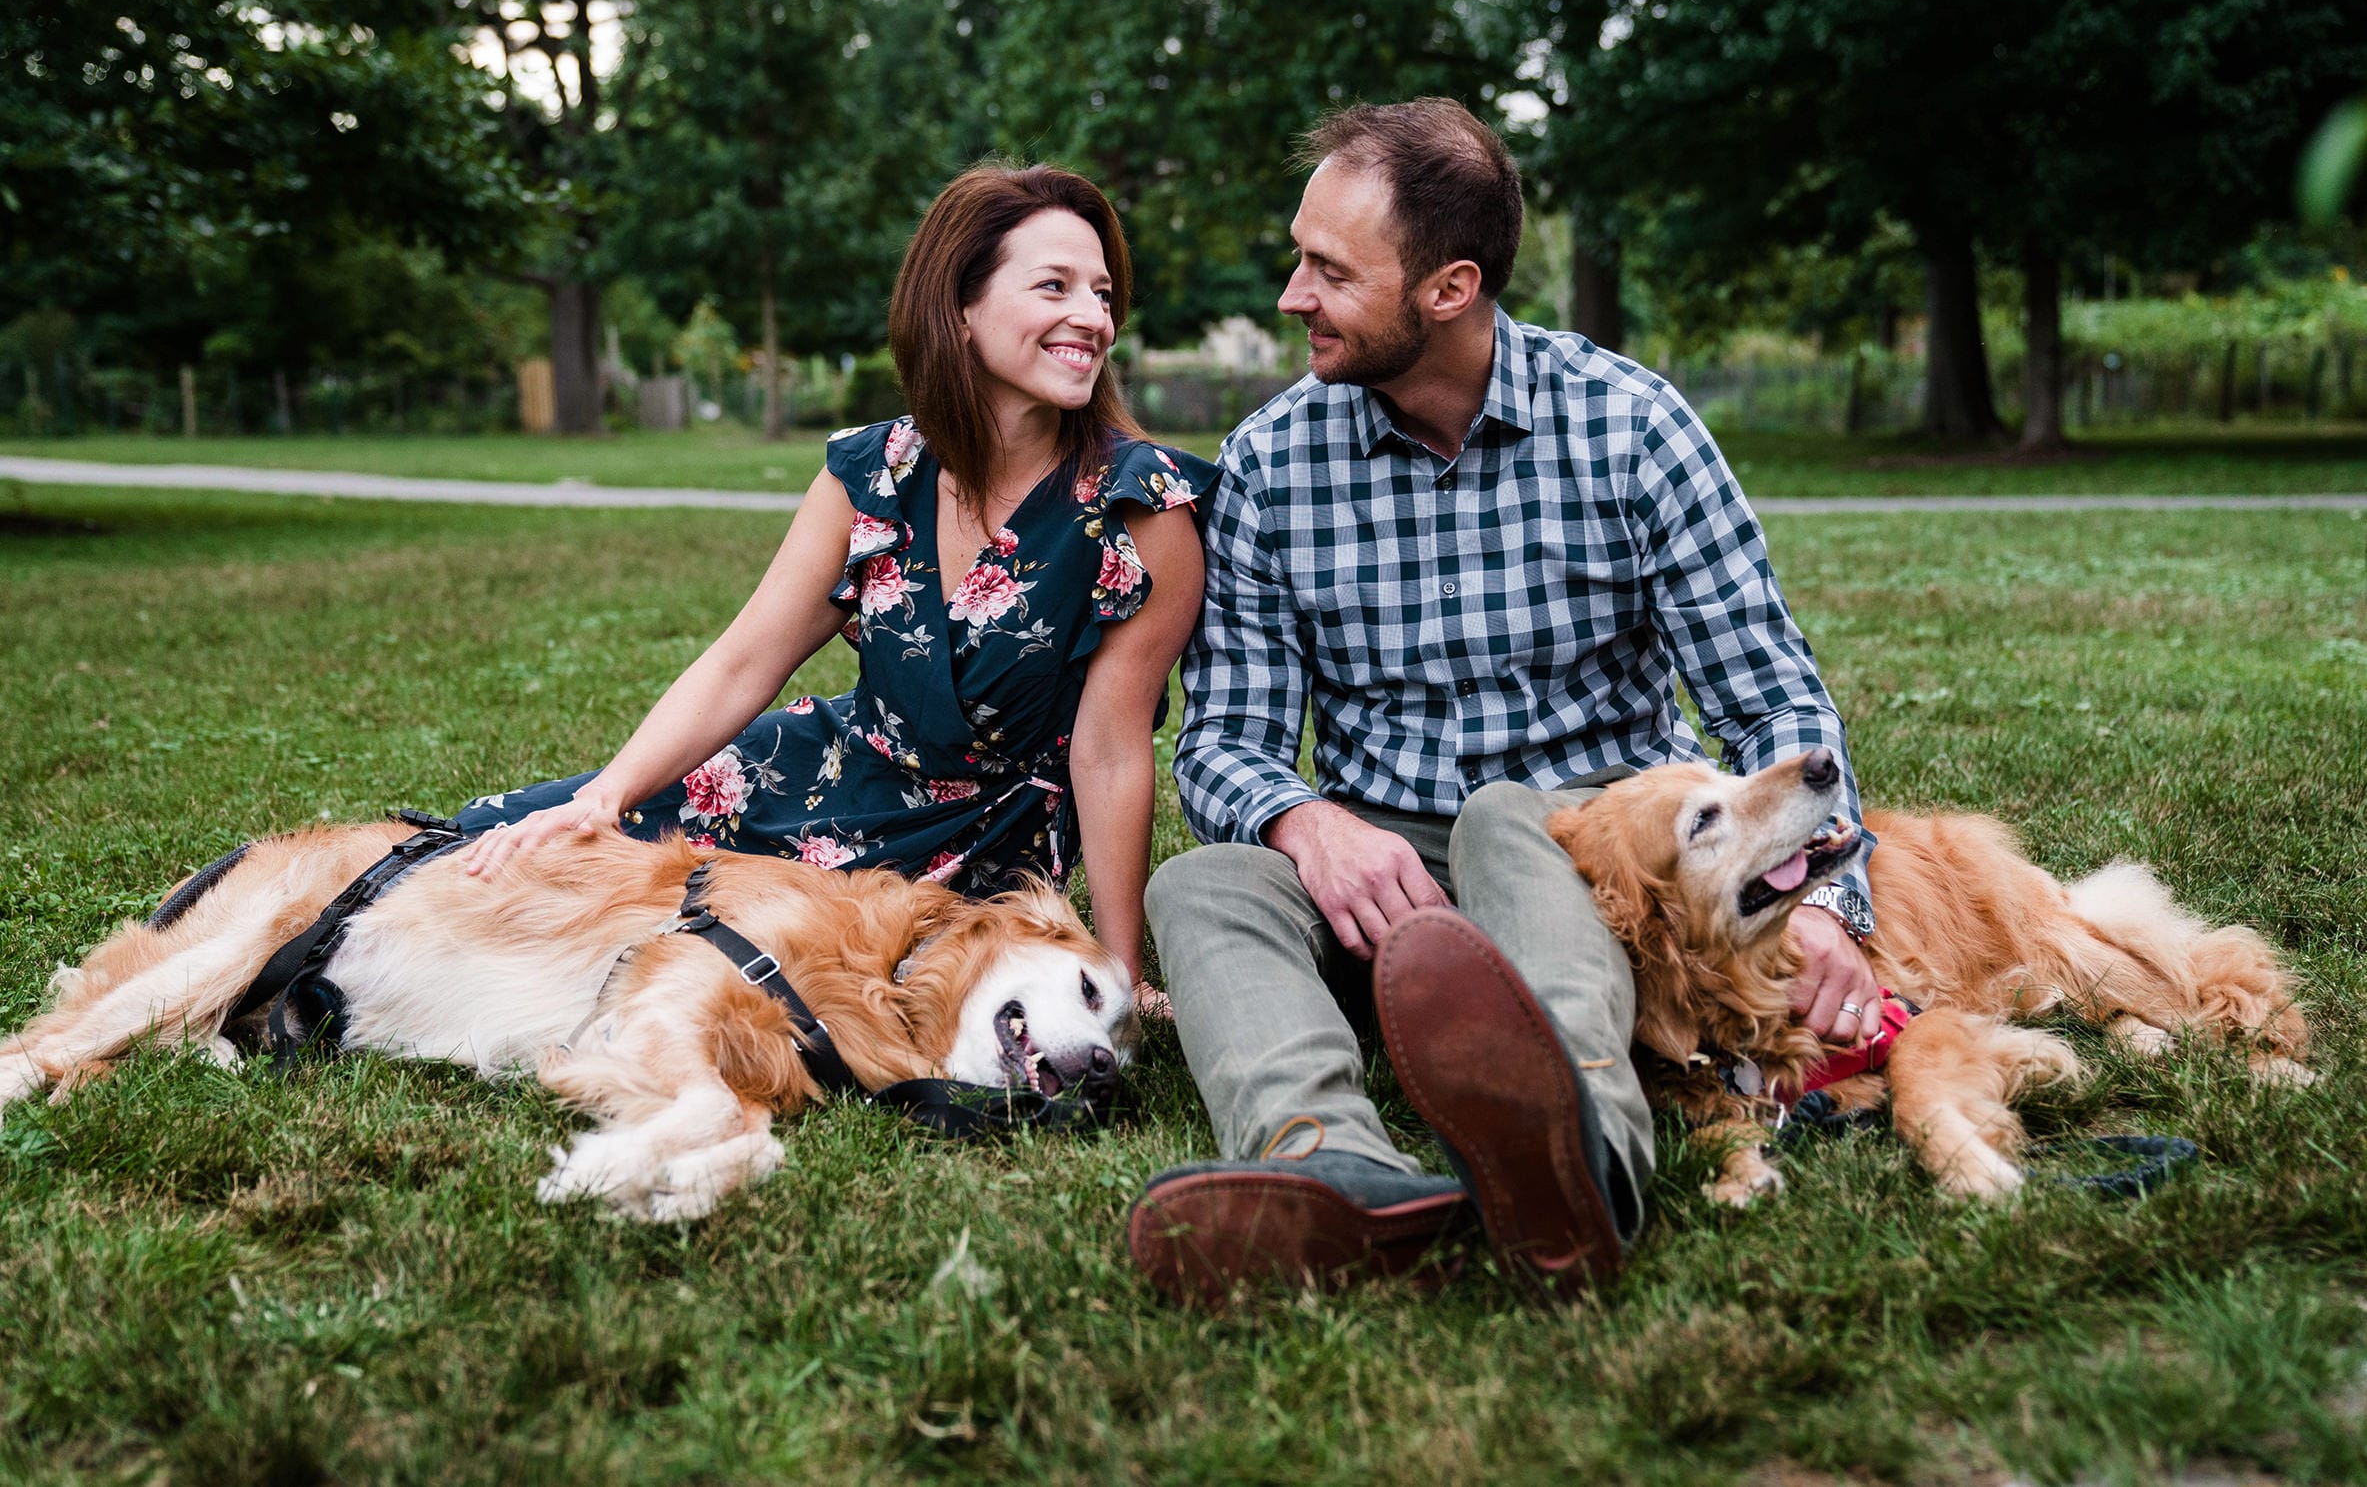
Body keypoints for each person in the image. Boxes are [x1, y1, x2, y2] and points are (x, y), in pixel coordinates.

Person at [1126, 100, 1882, 1301]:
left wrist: (1830, 896)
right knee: (1204, 881)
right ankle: (1333, 1169)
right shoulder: (1272, 461)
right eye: (1298, 256)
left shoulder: (1630, 427)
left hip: (1594, 846)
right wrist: (1306, 822)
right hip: (1386, 873)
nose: (1291, 296)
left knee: (1504, 818)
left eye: (1328, 269)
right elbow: (1225, 739)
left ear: (1448, 287)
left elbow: (1771, 693)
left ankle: (1585, 1159)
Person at [458, 165, 1214, 1002]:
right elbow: (746, 659)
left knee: (761, 970)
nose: (1092, 317)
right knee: (515, 846)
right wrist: (605, 794)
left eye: (1103, 294)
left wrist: (1119, 970)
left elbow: (1107, 755)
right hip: (826, 765)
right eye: (1054, 286)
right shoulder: (875, 470)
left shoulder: (1140, 506)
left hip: (975, 841)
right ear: (959, 308)